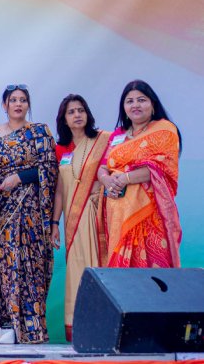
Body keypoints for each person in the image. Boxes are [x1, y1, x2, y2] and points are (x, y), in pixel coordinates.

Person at [0, 85, 57, 344]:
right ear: (4, 105)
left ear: (28, 105)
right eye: (13, 100)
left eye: (23, 100)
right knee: (1, 265)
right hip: (0, 210)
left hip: (30, 210)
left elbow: (50, 169)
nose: (18, 104)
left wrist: (20, 177)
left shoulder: (40, 131)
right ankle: (3, 327)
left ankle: (31, 328)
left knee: (30, 266)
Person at [97, 80, 181, 268]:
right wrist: (107, 180)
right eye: (130, 101)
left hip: (149, 212)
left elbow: (162, 167)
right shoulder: (117, 135)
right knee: (121, 275)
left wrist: (124, 178)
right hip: (117, 213)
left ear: (152, 104)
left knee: (151, 270)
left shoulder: (164, 129)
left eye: (141, 100)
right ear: (124, 107)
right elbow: (103, 167)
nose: (135, 105)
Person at [50, 94, 109, 341]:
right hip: (73, 220)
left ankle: (105, 325)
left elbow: (109, 172)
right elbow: (60, 190)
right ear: (64, 119)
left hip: (97, 215)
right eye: (71, 112)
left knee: (100, 265)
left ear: (88, 114)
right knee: (77, 269)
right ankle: (80, 327)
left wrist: (98, 187)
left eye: (81, 110)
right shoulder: (60, 149)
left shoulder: (103, 140)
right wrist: (54, 223)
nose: (77, 115)